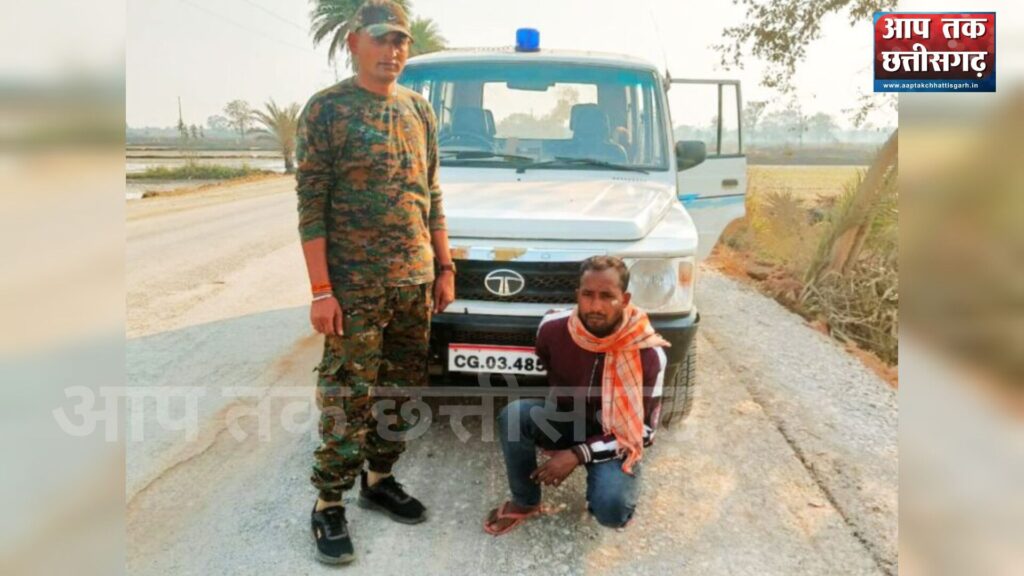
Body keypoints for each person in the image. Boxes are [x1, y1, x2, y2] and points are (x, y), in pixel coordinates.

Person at [294, 0, 455, 565]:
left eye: (401, 40)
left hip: (414, 282)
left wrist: (444, 267)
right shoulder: (327, 110)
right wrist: (321, 290)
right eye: (382, 38)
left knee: (401, 388)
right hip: (354, 288)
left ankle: (379, 478)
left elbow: (431, 192)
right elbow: (311, 205)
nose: (393, 50)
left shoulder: (419, 110)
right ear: (355, 43)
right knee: (348, 393)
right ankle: (328, 503)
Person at [484, 256, 669, 535]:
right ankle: (525, 501)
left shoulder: (649, 353)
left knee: (612, 509)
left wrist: (578, 454)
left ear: (625, 299)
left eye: (607, 296)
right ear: (577, 295)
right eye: (587, 295)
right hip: (567, 418)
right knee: (514, 416)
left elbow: (644, 432)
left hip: (616, 435)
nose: (595, 306)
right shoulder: (552, 328)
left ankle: (607, 487)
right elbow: (549, 369)